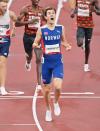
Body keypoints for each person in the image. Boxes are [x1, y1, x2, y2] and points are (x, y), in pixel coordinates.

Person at [33, 7, 71, 122]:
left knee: (58, 87)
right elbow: (36, 41)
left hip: (57, 62)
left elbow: (64, 41)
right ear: (45, 17)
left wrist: (67, 45)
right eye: (49, 13)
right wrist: (35, 45)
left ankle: (55, 102)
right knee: (47, 90)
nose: (51, 14)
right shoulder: (41, 30)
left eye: (53, 13)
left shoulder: (60, 28)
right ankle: (48, 110)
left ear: (55, 15)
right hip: (46, 64)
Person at [15, 0, 45, 88]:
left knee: (39, 58)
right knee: (29, 55)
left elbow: (46, 21)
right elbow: (17, 23)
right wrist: (29, 22)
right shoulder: (25, 9)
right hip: (28, 37)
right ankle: (28, 61)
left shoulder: (42, 10)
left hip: (38, 37)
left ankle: (39, 83)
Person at [70, 0, 100, 72]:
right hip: (80, 25)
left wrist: (95, 10)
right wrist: (73, 13)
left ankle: (86, 64)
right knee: (79, 43)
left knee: (87, 45)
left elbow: (99, 11)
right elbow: (76, 8)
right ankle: (82, 44)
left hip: (89, 26)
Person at [0, 0, 17, 95]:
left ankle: (2, 87)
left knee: (2, 63)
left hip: (5, 41)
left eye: (6, 6)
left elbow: (16, 21)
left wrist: (13, 29)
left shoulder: (10, 13)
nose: (5, 8)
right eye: (2, 6)